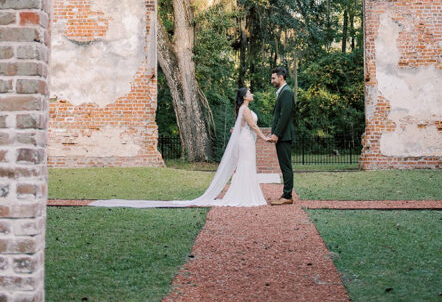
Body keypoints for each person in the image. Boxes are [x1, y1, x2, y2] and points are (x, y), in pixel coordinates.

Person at [89, 85, 269, 209]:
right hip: (246, 142)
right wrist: (264, 138)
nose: (252, 94)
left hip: (245, 141)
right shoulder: (245, 109)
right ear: (244, 96)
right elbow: (253, 126)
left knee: (246, 166)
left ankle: (246, 194)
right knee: (245, 166)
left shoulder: (243, 110)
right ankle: (244, 195)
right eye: (249, 92)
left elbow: (243, 126)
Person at [268, 65, 295, 205]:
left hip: (284, 136)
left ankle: (287, 195)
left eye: (273, 78)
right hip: (282, 136)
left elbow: (284, 116)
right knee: (284, 165)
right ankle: (286, 194)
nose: (272, 80)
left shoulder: (286, 92)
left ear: (281, 77)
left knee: (286, 166)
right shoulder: (282, 91)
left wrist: (277, 134)